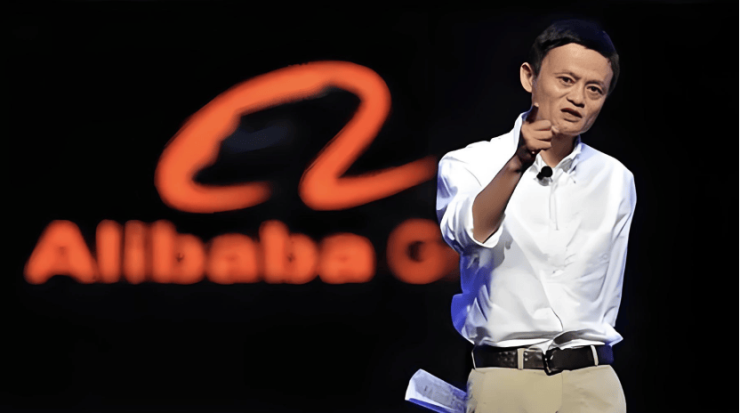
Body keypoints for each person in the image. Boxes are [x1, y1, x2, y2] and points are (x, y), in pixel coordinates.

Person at [436, 19, 635, 413]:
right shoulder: (470, 163)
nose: (578, 98)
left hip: (593, 378)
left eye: (594, 89)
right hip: (506, 377)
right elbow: (467, 235)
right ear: (530, 77)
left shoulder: (615, 178)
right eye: (566, 80)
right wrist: (519, 162)